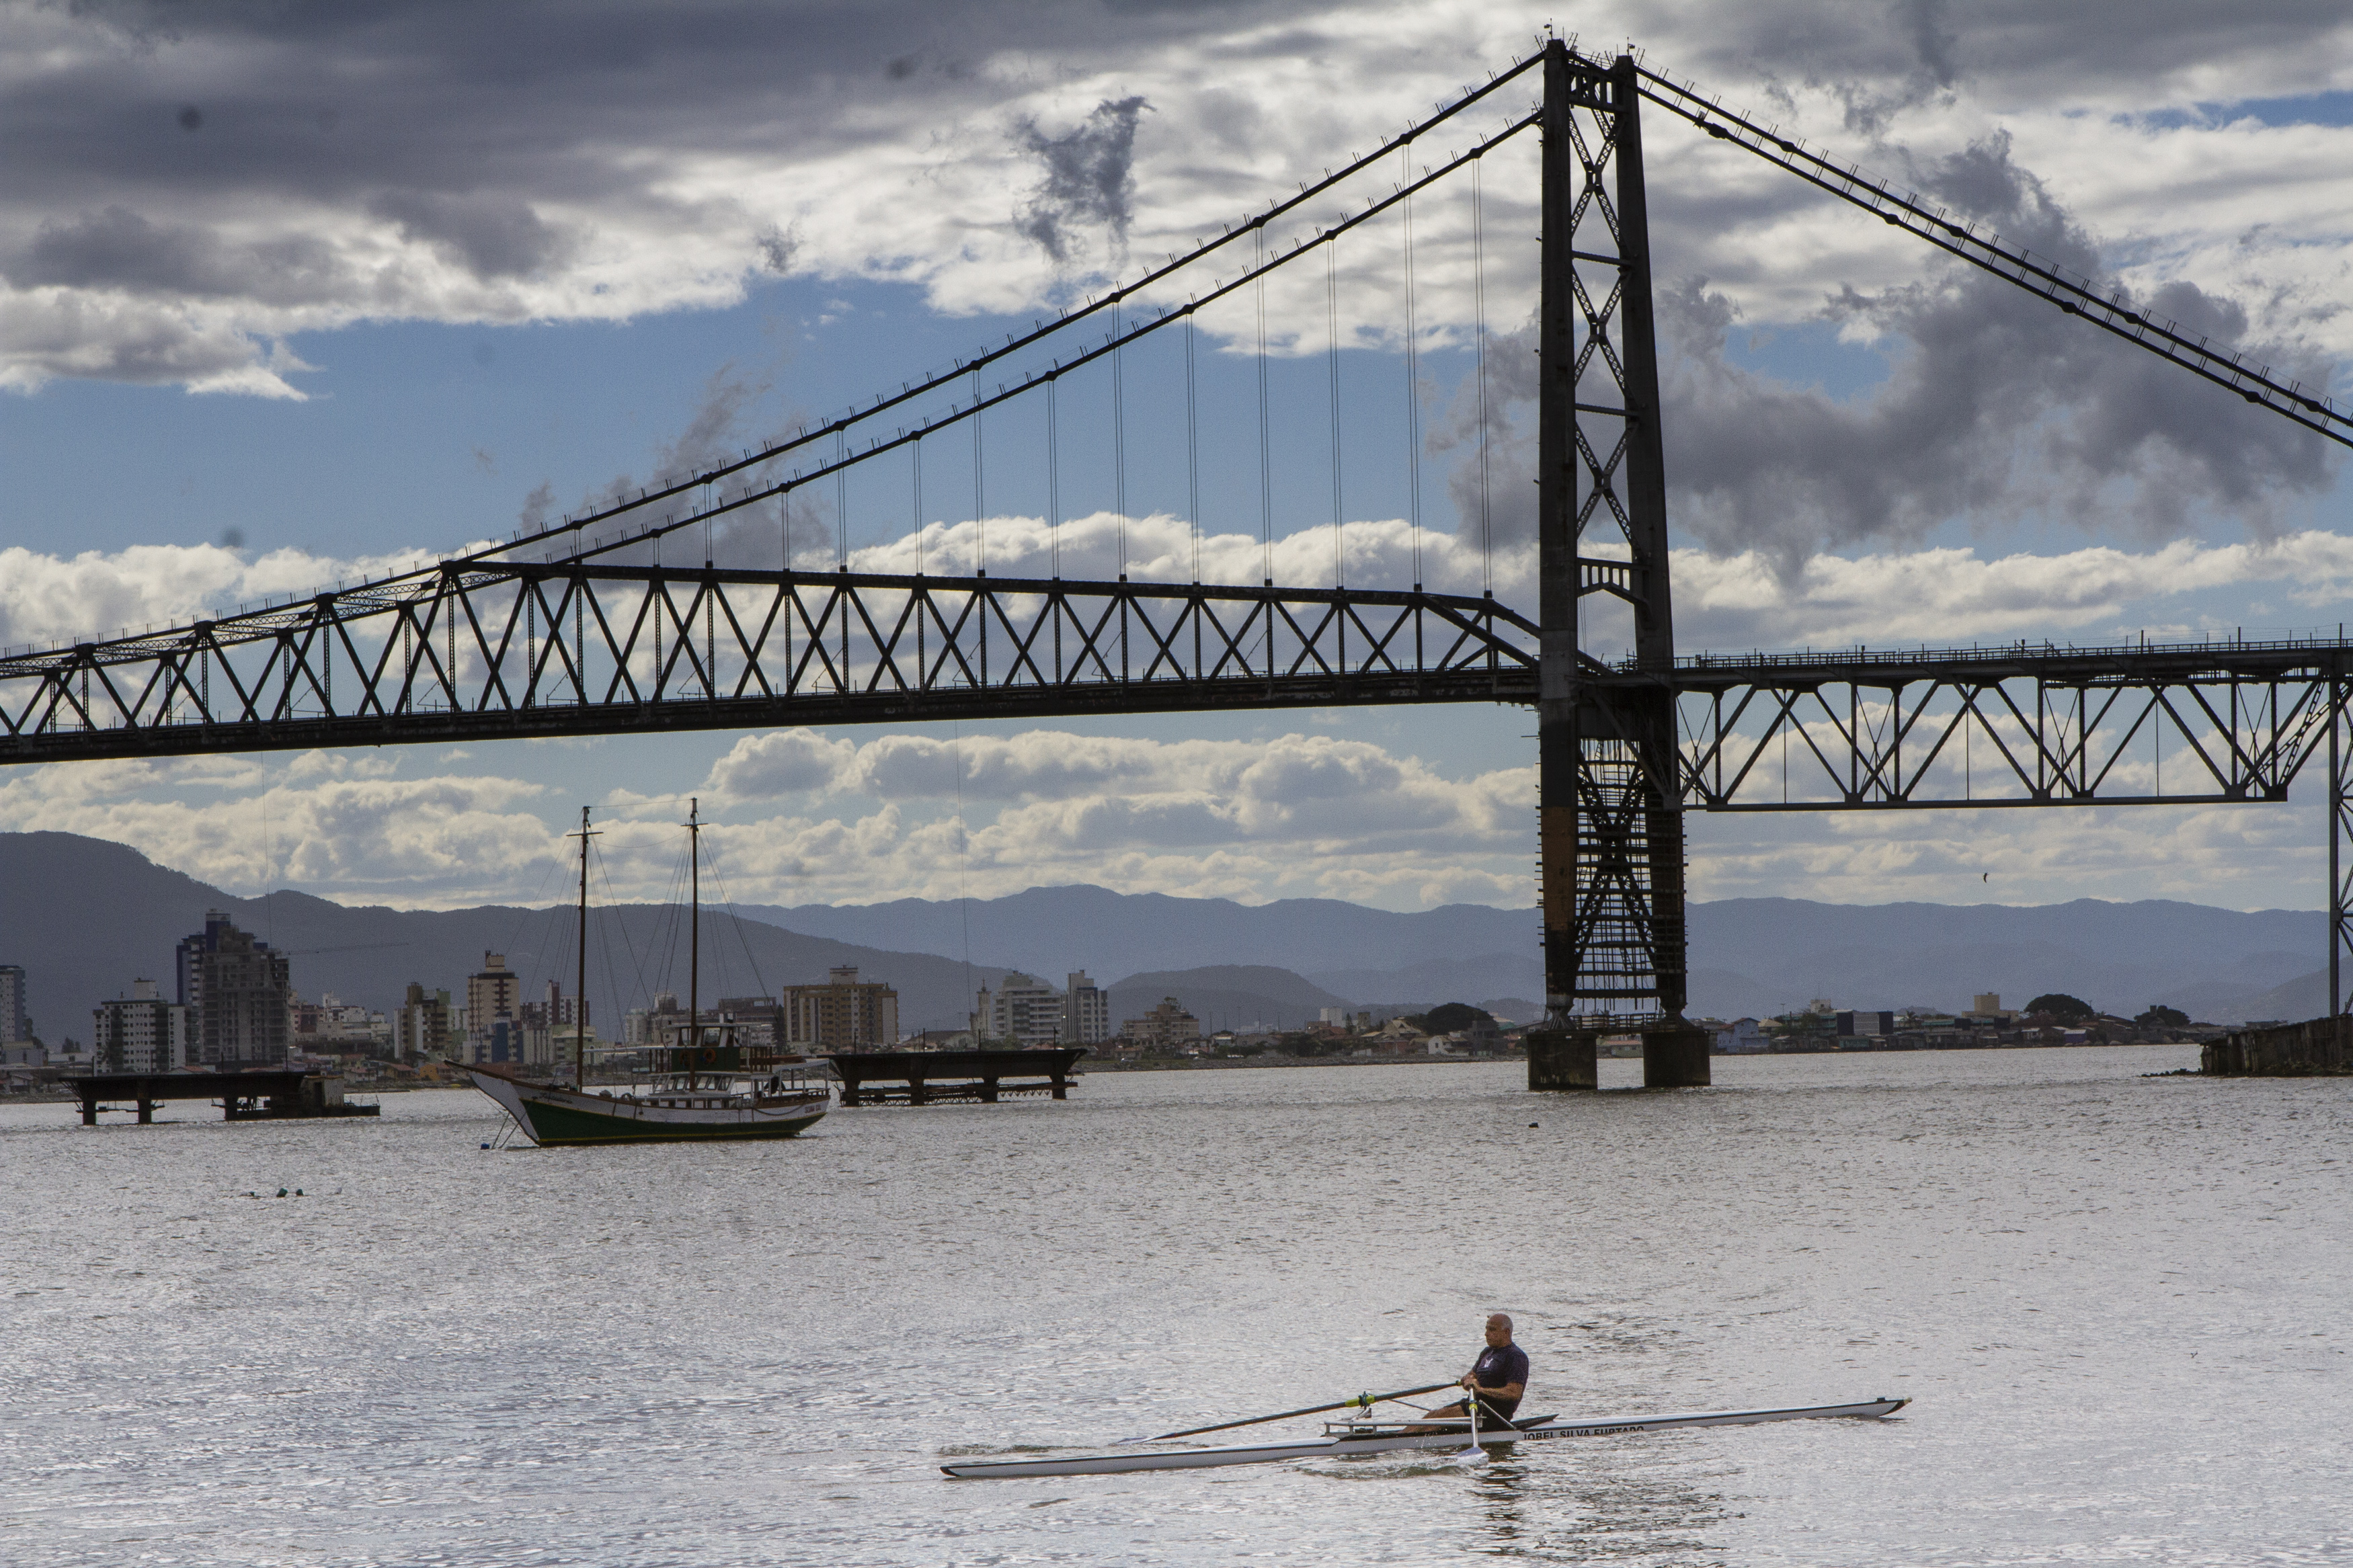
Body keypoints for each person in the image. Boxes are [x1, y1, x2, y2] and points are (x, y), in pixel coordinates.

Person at [1414, 1313, 1527, 1432]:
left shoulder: (1516, 1356)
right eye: (1486, 1329)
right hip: (1473, 1405)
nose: (1486, 1334)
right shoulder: (1487, 1352)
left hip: (1492, 1413)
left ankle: (1406, 1444)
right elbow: (1473, 1374)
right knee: (1432, 1415)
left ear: (1506, 1332)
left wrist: (1481, 1390)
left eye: (1492, 1330)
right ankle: (1400, 1439)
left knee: (1440, 1418)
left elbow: (1514, 1392)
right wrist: (1468, 1379)